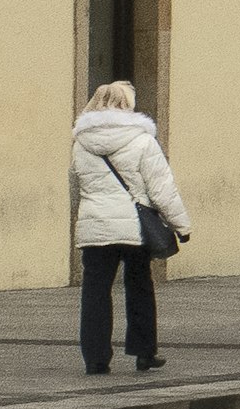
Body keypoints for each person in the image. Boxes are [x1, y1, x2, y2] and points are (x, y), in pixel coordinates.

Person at [69, 79, 188, 375]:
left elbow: (76, 186)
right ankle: (144, 352)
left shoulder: (81, 142)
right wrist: (181, 224)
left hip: (95, 225)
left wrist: (84, 215)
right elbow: (161, 188)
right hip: (135, 226)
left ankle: (96, 358)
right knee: (139, 287)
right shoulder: (142, 140)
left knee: (95, 291)